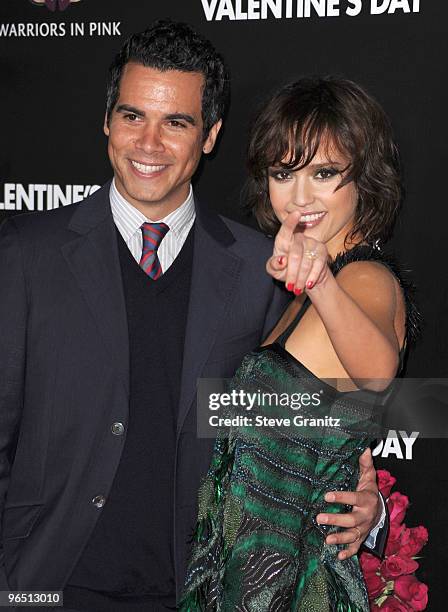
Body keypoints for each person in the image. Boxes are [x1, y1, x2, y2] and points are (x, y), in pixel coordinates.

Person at [0, 23, 385, 612]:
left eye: (176, 122)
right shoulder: (27, 252)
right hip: (48, 582)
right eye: (132, 117)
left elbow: (318, 407)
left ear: (210, 137)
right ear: (107, 122)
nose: (148, 144)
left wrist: (366, 498)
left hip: (197, 589)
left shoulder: (265, 269)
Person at [181, 77, 419, 611]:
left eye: (325, 173)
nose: (301, 196)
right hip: (254, 571)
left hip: (291, 586)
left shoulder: (364, 281)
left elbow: (377, 371)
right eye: (284, 173)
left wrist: (322, 284)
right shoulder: (310, 287)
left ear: (366, 179)